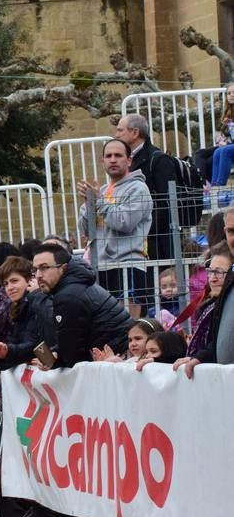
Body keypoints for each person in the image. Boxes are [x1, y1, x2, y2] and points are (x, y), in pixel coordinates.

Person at [76, 137, 154, 313]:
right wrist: (89, 204)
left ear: (129, 160)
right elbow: (86, 231)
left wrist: (99, 202)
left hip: (128, 264)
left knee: (129, 327)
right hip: (101, 266)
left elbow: (124, 223)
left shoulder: (138, 188)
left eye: (118, 155)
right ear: (102, 160)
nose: (112, 159)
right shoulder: (101, 191)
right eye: (108, 155)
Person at [28, 244, 130, 367]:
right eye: (35, 270)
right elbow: (70, 343)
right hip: (116, 359)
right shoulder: (73, 285)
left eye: (44, 268)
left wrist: (54, 361)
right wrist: (56, 353)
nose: (38, 275)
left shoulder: (68, 295)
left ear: (63, 268)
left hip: (119, 360)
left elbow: (71, 355)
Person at [175, 209, 234, 376]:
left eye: (219, 272)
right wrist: (199, 357)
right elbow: (219, 339)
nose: (213, 279)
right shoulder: (230, 278)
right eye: (231, 231)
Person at [116, 113, 180, 264]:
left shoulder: (159, 160)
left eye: (120, 130)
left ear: (135, 133)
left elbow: (168, 202)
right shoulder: (127, 160)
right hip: (139, 239)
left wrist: (145, 228)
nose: (116, 135)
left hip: (160, 240)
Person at [0, 256, 58, 371]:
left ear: (31, 280)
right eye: (5, 284)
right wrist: (2, 354)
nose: (9, 288)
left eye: (14, 281)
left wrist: (7, 352)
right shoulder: (17, 307)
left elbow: (34, 346)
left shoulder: (38, 304)